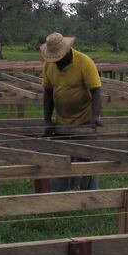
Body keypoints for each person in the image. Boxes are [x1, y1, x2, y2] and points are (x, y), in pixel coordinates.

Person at [39, 32, 103, 191]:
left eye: (58, 57)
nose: (56, 60)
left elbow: (96, 91)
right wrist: (47, 121)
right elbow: (48, 93)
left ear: (67, 50)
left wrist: (95, 116)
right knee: (61, 160)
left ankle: (90, 198)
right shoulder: (49, 65)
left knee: (87, 160)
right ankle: (59, 197)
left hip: (84, 120)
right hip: (62, 121)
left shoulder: (84, 62)